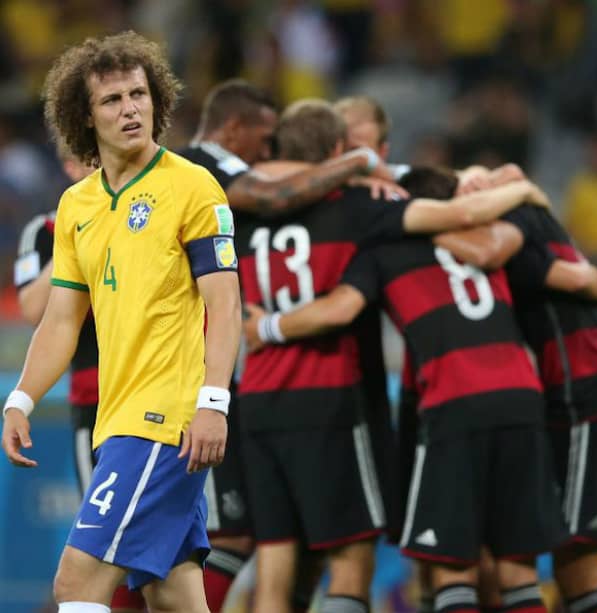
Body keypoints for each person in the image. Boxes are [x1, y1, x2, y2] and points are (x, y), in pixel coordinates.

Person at [235, 100, 549, 613]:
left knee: (274, 564)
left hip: (260, 398)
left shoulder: (241, 212)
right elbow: (464, 213)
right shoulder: (365, 212)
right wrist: (526, 193)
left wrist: (261, 327)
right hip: (333, 399)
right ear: (340, 152)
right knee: (355, 561)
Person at [1, 31, 241, 613]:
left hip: (165, 420)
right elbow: (61, 318)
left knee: (76, 583)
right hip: (117, 421)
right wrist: (22, 399)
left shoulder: (191, 186)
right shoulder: (77, 206)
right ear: (84, 117)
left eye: (139, 94)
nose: (131, 108)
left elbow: (225, 303)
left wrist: (213, 403)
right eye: (112, 100)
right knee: (174, 595)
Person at [178, 78, 402, 613]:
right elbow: (278, 194)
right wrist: (362, 164)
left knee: (260, 544)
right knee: (340, 554)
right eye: (263, 137)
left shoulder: (242, 216)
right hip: (294, 392)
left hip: (251, 394)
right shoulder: (202, 172)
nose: (268, 152)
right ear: (234, 129)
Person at [423, 164, 597, 613]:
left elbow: (494, 253)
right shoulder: (535, 222)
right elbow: (584, 278)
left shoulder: (519, 217)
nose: (471, 192)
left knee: (577, 571)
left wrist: (406, 228)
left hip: (589, 399)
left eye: (476, 182)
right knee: (580, 570)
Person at [14, 150, 146, 613]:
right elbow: (34, 310)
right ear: (70, 166)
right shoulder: (47, 231)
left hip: (161, 394)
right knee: (108, 547)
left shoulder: (150, 211)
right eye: (84, 159)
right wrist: (82, 227)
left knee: (175, 550)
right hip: (97, 403)